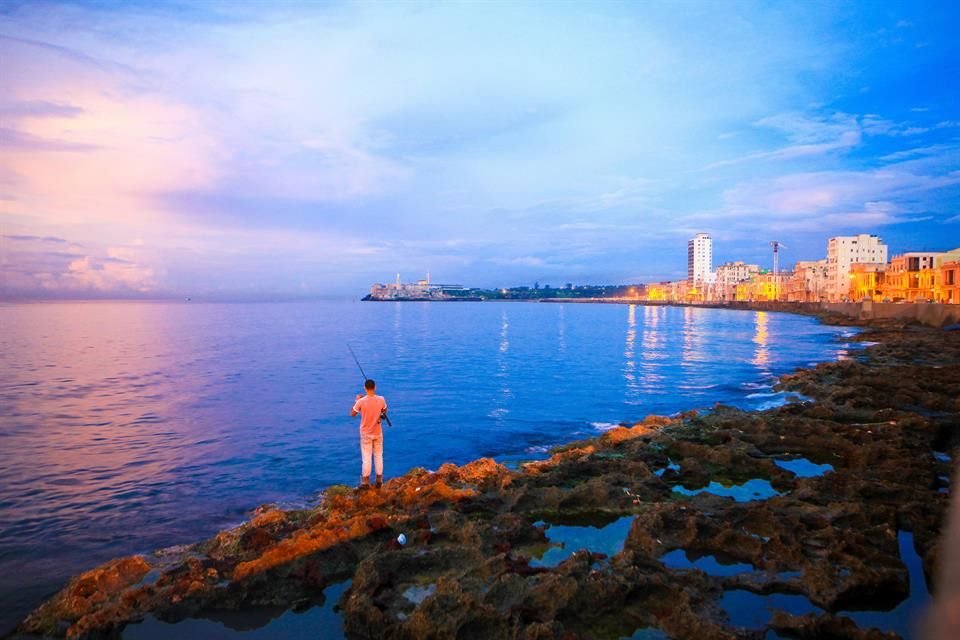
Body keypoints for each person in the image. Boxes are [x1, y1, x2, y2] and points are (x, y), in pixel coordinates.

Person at [350, 378, 387, 489]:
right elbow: (384, 410)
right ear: (374, 387)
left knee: (366, 458)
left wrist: (357, 401)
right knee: (378, 456)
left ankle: (365, 482)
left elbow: (352, 414)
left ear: (365, 388)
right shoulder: (381, 399)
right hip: (378, 432)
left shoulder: (361, 401)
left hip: (366, 433)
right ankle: (379, 481)